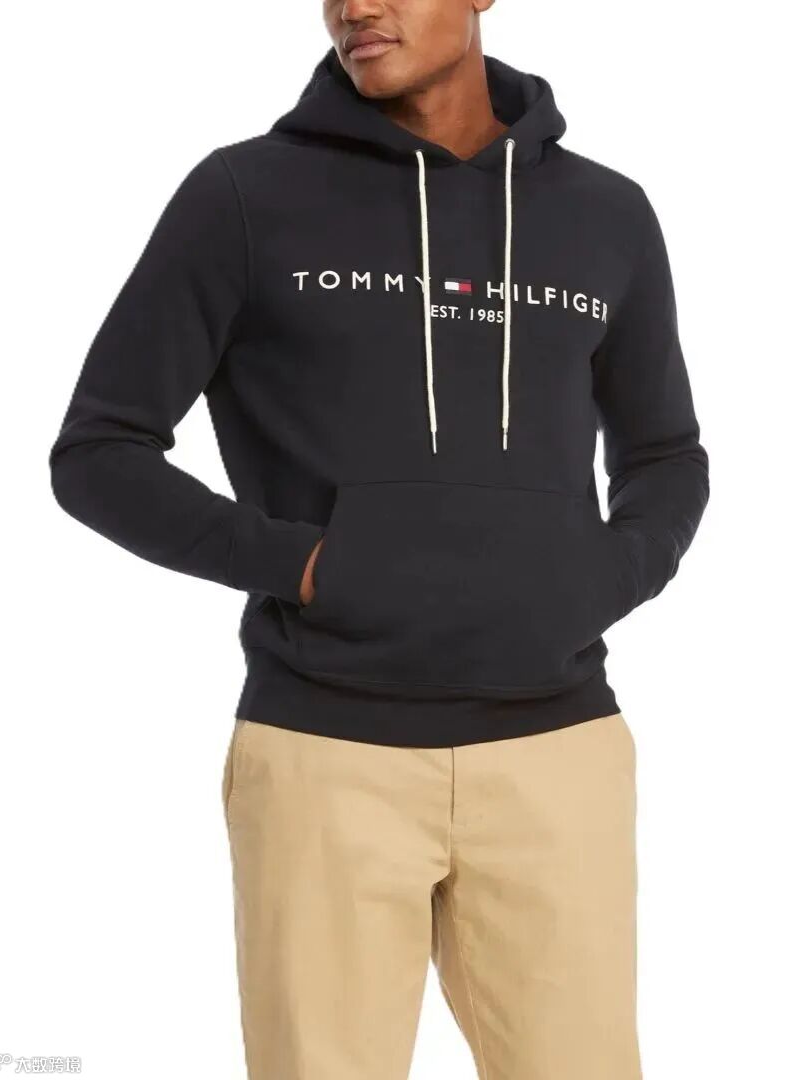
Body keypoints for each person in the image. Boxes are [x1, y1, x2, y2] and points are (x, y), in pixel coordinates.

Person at [50, 1, 709, 1077]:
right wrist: (306, 565)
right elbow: (98, 452)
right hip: (325, 754)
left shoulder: (605, 212)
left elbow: (667, 454)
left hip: (558, 751)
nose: (354, 6)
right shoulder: (243, 196)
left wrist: (600, 576)